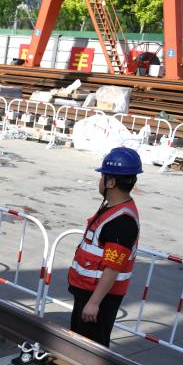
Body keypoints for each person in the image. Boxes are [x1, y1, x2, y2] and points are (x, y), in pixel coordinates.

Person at [67, 146, 142, 351]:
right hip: (88, 291)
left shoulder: (122, 221)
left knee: (91, 349)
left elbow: (112, 267)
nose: (99, 181)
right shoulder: (112, 208)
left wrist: (94, 303)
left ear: (111, 182)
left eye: (102, 177)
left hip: (99, 296)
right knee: (78, 343)